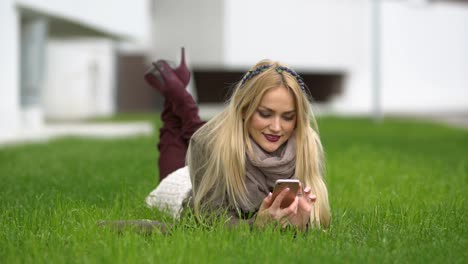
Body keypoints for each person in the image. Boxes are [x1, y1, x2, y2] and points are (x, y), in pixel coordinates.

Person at [144, 48, 331, 230]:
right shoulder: (208, 144)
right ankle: (176, 95)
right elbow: (209, 218)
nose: (276, 127)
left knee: (212, 133)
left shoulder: (306, 143)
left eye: (288, 117)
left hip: (230, 147)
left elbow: (318, 221)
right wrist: (256, 225)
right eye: (265, 114)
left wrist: (303, 225)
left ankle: (178, 92)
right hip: (183, 188)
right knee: (178, 133)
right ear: (243, 109)